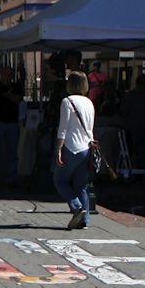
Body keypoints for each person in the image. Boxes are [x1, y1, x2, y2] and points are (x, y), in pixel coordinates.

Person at [54, 69, 96, 229]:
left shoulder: (67, 101)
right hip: (86, 147)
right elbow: (90, 128)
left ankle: (76, 206)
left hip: (71, 147)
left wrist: (58, 149)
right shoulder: (89, 102)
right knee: (82, 185)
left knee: (60, 180)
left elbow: (63, 128)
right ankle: (85, 220)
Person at [0, 66, 23, 185]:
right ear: (1, 74)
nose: (7, 76)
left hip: (12, 122)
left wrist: (8, 96)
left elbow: (18, 100)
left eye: (9, 74)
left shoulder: (16, 87)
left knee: (12, 152)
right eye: (5, 73)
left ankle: (12, 177)